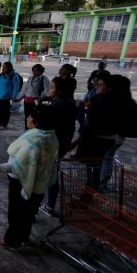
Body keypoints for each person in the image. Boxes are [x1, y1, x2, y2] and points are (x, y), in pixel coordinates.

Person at [0, 105, 59, 250]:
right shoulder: (51, 136)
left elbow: (16, 166)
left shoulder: (34, 141)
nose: (27, 118)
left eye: (30, 116)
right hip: (39, 183)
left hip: (21, 182)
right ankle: (24, 237)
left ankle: (11, 241)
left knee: (16, 213)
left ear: (37, 122)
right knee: (28, 212)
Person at [39, 77, 77, 215]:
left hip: (52, 145)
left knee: (44, 176)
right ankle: (49, 205)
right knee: (52, 174)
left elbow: (45, 126)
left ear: (60, 91)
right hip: (61, 144)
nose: (48, 89)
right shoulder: (69, 103)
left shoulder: (56, 106)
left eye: (52, 87)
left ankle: (41, 207)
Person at [15, 64, 50, 130]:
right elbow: (24, 89)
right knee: (27, 117)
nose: (34, 72)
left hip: (35, 101)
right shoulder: (30, 78)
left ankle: (33, 129)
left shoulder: (44, 79)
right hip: (26, 100)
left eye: (36, 71)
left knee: (34, 117)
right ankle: (26, 129)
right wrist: (18, 98)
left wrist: (41, 96)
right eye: (33, 71)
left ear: (41, 71)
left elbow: (47, 89)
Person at [0, 62, 21, 130]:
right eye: (3, 67)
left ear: (10, 68)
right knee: (1, 111)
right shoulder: (1, 75)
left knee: (6, 112)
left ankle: (4, 125)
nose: (3, 69)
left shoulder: (14, 76)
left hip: (7, 97)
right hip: (0, 95)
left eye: (5, 67)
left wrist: (14, 96)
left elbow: (16, 87)